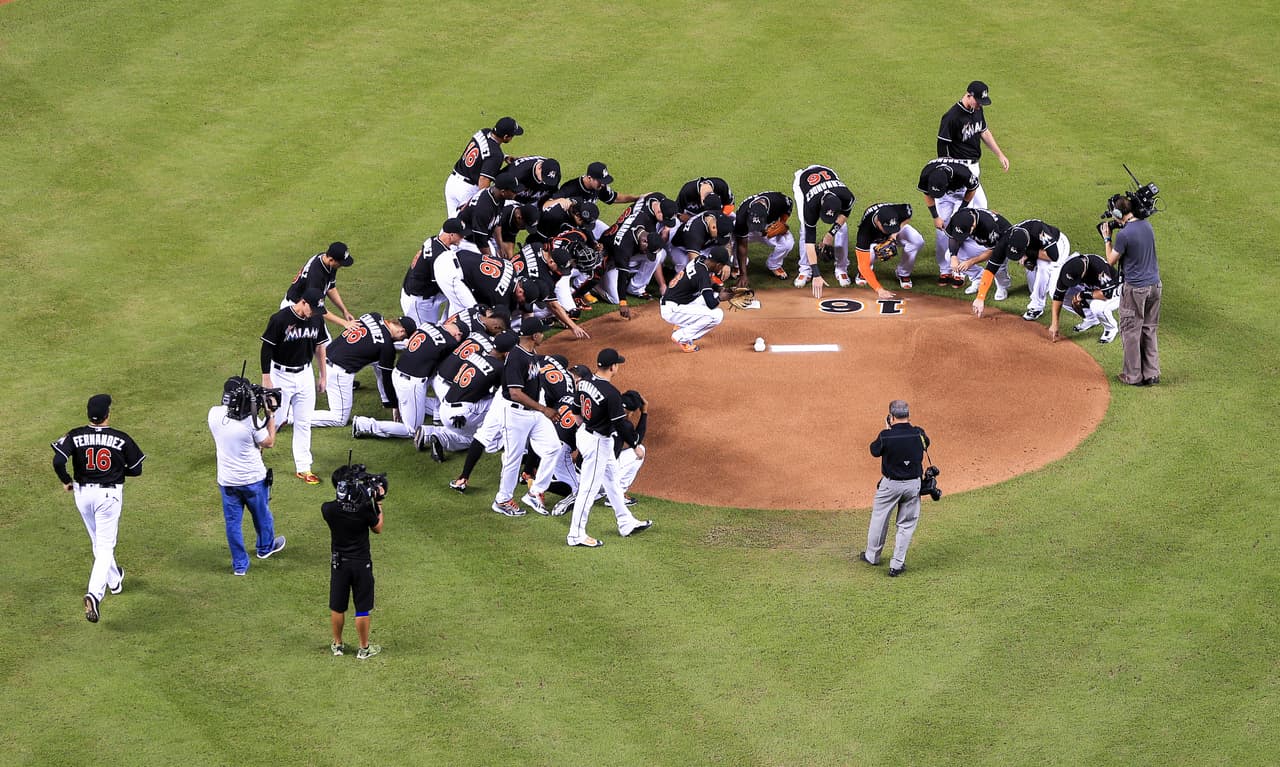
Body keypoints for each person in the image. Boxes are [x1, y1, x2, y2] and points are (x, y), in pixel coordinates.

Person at [52, 394, 146, 623]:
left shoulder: (74, 435)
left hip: (83, 495)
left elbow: (58, 461)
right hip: (108, 497)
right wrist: (117, 471)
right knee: (104, 547)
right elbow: (136, 469)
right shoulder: (121, 438)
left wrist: (66, 480)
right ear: (107, 414)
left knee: (98, 540)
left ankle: (114, 580)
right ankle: (94, 594)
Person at [566, 348, 653, 547]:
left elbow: (576, 411)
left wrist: (588, 428)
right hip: (598, 443)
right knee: (588, 490)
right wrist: (635, 445)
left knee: (612, 481)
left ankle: (626, 522)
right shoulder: (611, 393)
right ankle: (575, 535)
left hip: (586, 434)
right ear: (613, 367)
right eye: (617, 364)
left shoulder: (584, 382)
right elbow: (621, 424)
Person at [207, 377, 287, 576]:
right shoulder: (251, 422)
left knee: (233, 524)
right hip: (253, 481)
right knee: (262, 516)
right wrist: (270, 415)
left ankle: (240, 566)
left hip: (227, 481)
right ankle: (265, 548)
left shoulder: (213, 414)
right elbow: (268, 442)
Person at [491, 319, 563, 517]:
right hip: (515, 414)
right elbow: (515, 393)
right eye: (542, 332)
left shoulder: (530, 352)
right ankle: (502, 500)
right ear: (535, 335)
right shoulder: (516, 357)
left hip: (533, 413)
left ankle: (535, 492)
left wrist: (540, 409)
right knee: (513, 459)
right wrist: (543, 409)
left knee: (553, 448)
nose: (544, 335)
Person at [261, 287, 329, 484]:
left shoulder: (317, 319)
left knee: (304, 422)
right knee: (275, 418)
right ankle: (255, 453)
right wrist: (266, 378)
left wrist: (323, 375)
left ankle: (303, 467)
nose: (314, 313)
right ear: (303, 302)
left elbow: (320, 347)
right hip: (280, 375)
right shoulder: (280, 319)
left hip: (305, 374)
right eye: (313, 309)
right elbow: (266, 349)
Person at [859, 400, 930, 577]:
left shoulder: (886, 436)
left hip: (890, 486)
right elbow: (926, 444)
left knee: (879, 519)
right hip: (913, 485)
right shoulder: (919, 433)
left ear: (891, 416)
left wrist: (888, 430)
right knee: (906, 525)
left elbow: (874, 451)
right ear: (908, 416)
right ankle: (896, 565)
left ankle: (872, 556)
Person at [322, 464, 386, 659]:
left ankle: (337, 644)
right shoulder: (363, 510)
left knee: (338, 605)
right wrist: (378, 505)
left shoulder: (328, 509)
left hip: (339, 563)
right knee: (362, 608)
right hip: (361, 564)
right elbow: (378, 528)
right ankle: (363, 648)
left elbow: (342, 506)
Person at [311, 313, 413, 428]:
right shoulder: (386, 347)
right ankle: (296, 417)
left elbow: (377, 340)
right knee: (339, 419)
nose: (400, 339)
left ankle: (385, 399)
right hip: (337, 372)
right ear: (401, 331)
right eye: (403, 338)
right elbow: (387, 380)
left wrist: (387, 401)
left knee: (377, 358)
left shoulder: (374, 316)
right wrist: (395, 405)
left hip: (326, 359)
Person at [1102, 195, 1162, 385]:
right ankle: (1152, 374)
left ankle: (1133, 376)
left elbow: (1110, 260)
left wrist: (1107, 239)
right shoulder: (1147, 226)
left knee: (1130, 331)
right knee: (1149, 329)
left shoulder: (1124, 235)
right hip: (1155, 286)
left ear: (1118, 213)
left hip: (1136, 289)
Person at [936, 80, 1010, 210]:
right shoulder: (952, 117)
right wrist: (948, 171)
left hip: (974, 167)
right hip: (960, 168)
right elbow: (942, 145)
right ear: (969, 95)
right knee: (966, 210)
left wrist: (1000, 154)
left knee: (982, 206)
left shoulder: (977, 110)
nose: (980, 105)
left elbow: (984, 132)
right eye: (978, 101)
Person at [791, 165, 855, 295]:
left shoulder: (847, 196)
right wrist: (816, 274)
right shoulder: (811, 204)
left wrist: (830, 234)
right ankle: (805, 269)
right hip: (803, 183)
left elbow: (844, 215)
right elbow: (810, 242)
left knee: (842, 227)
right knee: (805, 228)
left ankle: (841, 268)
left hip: (827, 174)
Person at [916, 157, 980, 287]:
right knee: (941, 230)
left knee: (960, 230)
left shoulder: (963, 173)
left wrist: (961, 209)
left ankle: (959, 271)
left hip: (962, 194)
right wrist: (935, 217)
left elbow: (972, 189)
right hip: (944, 198)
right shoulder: (927, 173)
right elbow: (927, 194)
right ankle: (945, 270)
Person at [659, 245, 734, 353]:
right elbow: (711, 304)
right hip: (672, 309)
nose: (721, 269)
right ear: (718, 265)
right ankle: (681, 337)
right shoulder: (702, 274)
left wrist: (719, 289)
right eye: (722, 266)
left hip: (676, 301)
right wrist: (721, 298)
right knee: (717, 315)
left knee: (712, 294)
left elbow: (707, 284)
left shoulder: (700, 259)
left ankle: (681, 325)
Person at [445, 116, 523, 217]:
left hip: (452, 182)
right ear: (505, 137)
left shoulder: (484, 132)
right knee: (466, 224)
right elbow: (483, 180)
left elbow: (485, 150)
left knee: (452, 223)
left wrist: (505, 157)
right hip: (466, 191)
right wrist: (485, 202)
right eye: (512, 136)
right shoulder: (496, 155)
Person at [1046, 251, 1121, 344]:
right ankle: (1091, 319)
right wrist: (1054, 323)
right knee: (1063, 294)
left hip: (1116, 291)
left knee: (1096, 306)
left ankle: (1111, 328)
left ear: (1083, 272)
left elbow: (1107, 294)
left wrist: (1082, 295)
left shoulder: (1098, 267)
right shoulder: (1067, 269)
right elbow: (1058, 295)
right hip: (1095, 289)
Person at [401, 219, 465, 327]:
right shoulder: (439, 256)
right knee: (425, 331)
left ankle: (445, 323)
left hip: (419, 290)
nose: (462, 238)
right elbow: (442, 285)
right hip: (418, 301)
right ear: (451, 235)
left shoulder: (432, 240)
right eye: (460, 235)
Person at [282, 241, 357, 331]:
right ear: (331, 260)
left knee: (324, 339)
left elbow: (330, 288)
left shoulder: (327, 260)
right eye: (340, 263)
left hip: (309, 309)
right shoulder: (316, 276)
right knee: (307, 339)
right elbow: (316, 307)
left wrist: (344, 311)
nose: (341, 266)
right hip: (296, 310)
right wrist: (344, 323)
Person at [850, 203, 922, 294]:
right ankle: (863, 274)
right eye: (887, 229)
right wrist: (879, 289)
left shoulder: (898, 210)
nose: (889, 231)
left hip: (895, 229)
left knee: (917, 241)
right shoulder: (865, 231)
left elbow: (908, 215)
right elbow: (863, 265)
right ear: (878, 222)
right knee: (868, 257)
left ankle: (903, 273)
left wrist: (893, 236)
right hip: (873, 237)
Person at [945, 207, 1013, 299]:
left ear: (973, 225)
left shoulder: (988, 225)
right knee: (949, 256)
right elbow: (954, 237)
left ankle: (1002, 287)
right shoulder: (959, 216)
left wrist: (971, 262)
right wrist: (953, 256)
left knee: (997, 267)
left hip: (1002, 244)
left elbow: (994, 251)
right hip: (981, 242)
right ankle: (977, 277)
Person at [733, 191, 795, 286]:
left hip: (768, 228)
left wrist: (783, 222)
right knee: (734, 239)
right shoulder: (742, 215)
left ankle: (774, 264)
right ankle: (737, 265)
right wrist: (743, 275)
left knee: (788, 243)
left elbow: (789, 205)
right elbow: (742, 245)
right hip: (748, 230)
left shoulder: (778, 201)